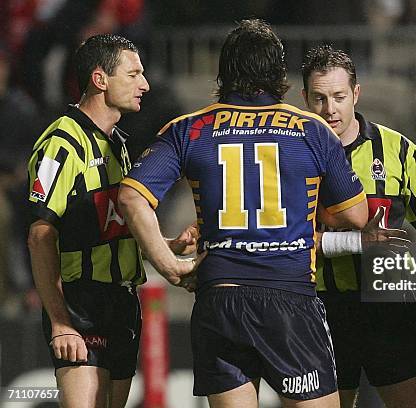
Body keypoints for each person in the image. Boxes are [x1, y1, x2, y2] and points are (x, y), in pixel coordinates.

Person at [117, 19, 368, 408]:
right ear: (279, 73)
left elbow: (132, 198)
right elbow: (356, 216)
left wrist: (170, 265)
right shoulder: (311, 129)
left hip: (220, 299)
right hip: (289, 300)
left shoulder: (190, 129)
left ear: (224, 72)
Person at [26, 34, 195, 408]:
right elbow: (40, 236)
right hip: (81, 303)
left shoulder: (117, 143)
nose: (145, 84)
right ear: (100, 79)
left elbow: (110, 229)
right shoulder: (61, 144)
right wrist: (60, 322)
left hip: (122, 302)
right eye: (133, 74)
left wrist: (165, 245)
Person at [301, 45, 416, 408]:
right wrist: (355, 241)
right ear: (304, 97)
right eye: (319, 98)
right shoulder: (293, 154)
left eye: (338, 97)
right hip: (321, 307)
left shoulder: (398, 150)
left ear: (356, 93)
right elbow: (288, 238)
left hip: (389, 302)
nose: (329, 109)